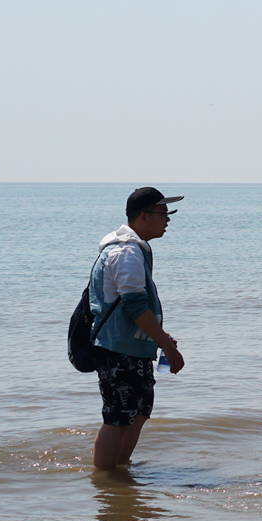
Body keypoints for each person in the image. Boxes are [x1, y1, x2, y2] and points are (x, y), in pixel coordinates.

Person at [89, 187, 187, 472]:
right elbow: (133, 306)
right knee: (118, 417)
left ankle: (121, 475)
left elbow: (134, 309)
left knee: (139, 412)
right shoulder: (125, 252)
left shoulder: (136, 249)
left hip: (133, 347)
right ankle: (106, 483)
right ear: (144, 217)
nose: (168, 220)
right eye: (163, 214)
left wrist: (159, 337)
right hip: (116, 350)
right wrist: (166, 346)